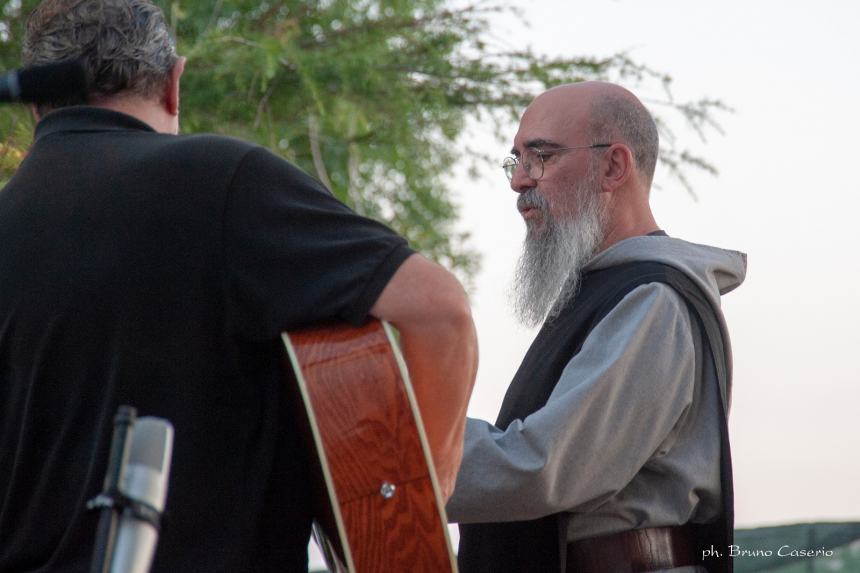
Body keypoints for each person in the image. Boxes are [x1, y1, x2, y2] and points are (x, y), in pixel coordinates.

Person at [0, 1, 478, 572]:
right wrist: (412, 510)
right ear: (174, 84)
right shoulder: (218, 180)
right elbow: (439, 311)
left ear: (35, 102)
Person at [446, 81, 746, 573]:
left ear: (613, 166)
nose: (519, 181)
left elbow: (546, 468)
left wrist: (399, 453)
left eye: (541, 156)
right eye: (516, 160)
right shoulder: (607, 291)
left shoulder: (653, 298)